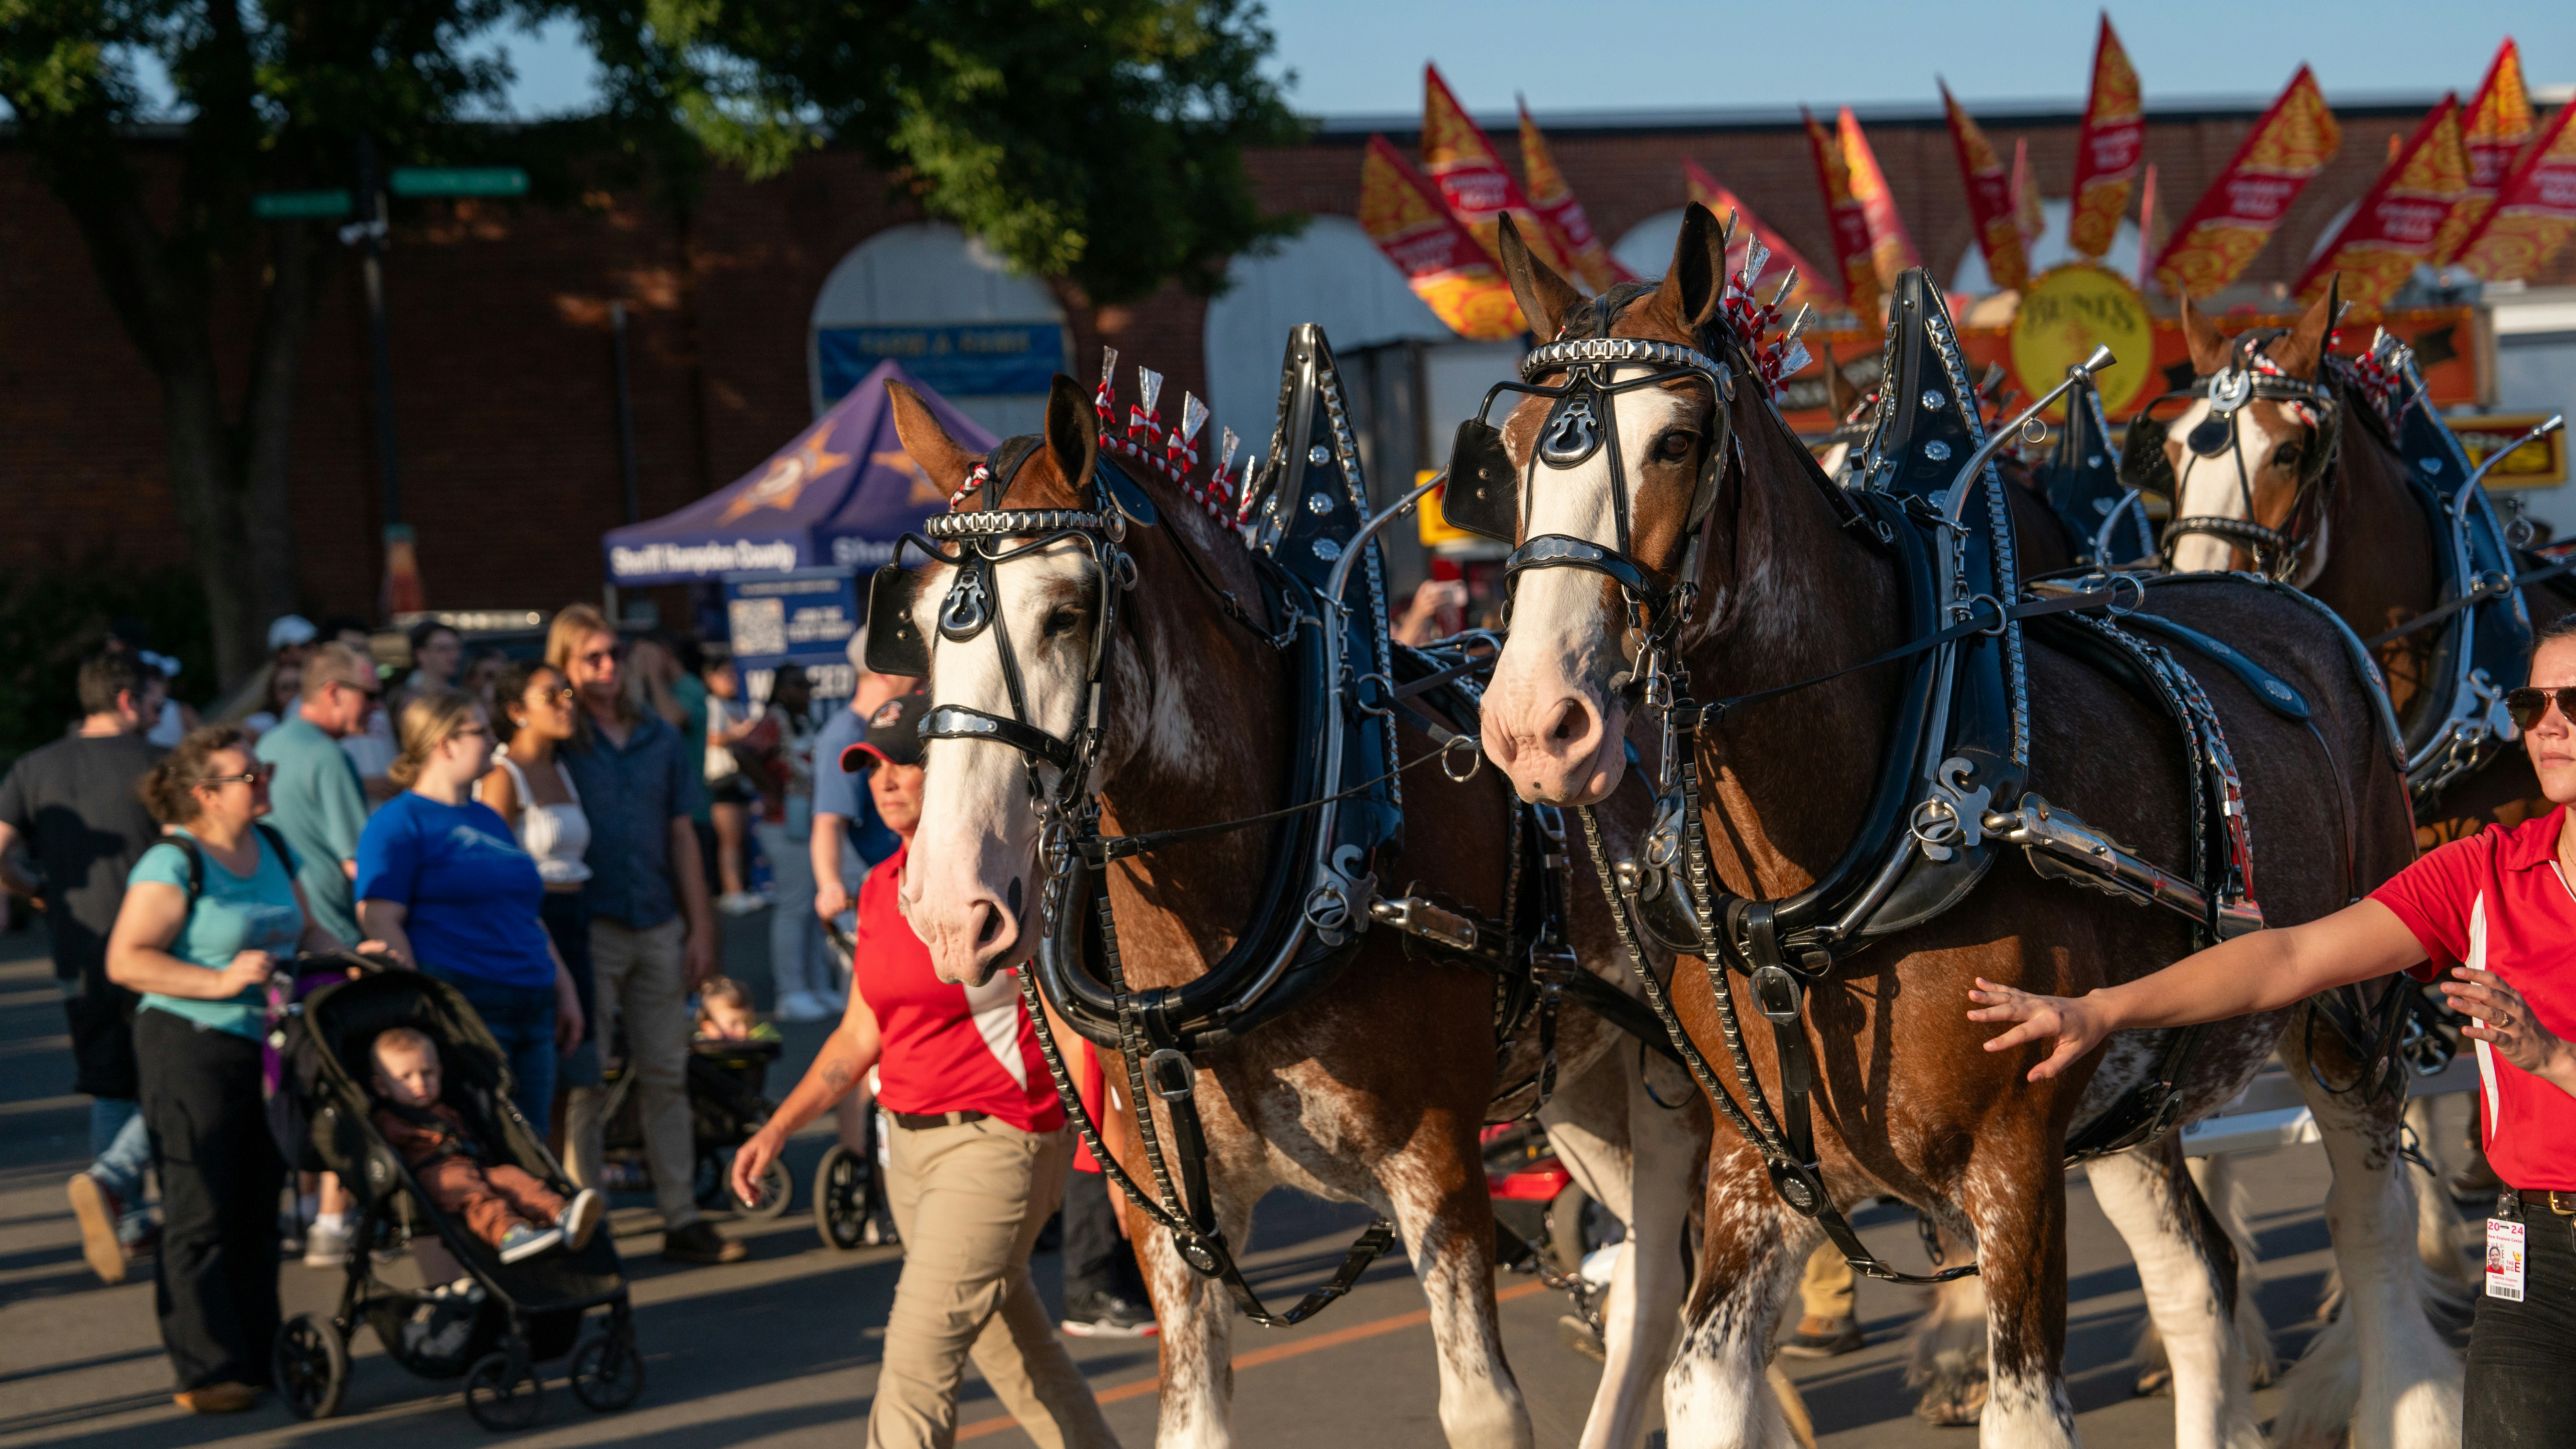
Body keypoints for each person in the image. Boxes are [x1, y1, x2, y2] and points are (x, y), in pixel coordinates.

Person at [1967, 612, 2576, 1446]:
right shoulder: (2482, 871)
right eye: (2530, 700)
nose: (2547, 723)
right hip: (2533, 1256)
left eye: (2572, 700)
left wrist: (2551, 1057)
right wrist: (2104, 1007)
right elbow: (2285, 958)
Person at [735, 692, 1117, 1448]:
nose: (886, 780)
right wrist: (778, 1126)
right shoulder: (882, 885)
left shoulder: (1007, 869)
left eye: (905, 761)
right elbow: (860, 1031)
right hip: (906, 1152)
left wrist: (1098, 1153)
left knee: (914, 1367)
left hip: (998, 1145)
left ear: (946, 767)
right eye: (872, 766)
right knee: (1018, 1350)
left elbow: (1075, 1021)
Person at [106, 726, 378, 1413]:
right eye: (248, 776)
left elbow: (306, 930)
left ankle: (259, 1356)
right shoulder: (174, 862)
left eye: (262, 770)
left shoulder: (274, 844)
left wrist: (350, 955)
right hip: (188, 1041)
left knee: (260, 1203)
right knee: (203, 1204)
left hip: (268, 1041)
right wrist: (218, 979)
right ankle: (206, 1368)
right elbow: (128, 959)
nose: (264, 782)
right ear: (205, 794)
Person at [549, 604, 741, 1266]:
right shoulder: (561, 742)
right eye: (592, 658)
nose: (607, 668)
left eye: (614, 655)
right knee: (586, 1080)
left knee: (666, 1072)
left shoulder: (657, 735)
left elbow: (683, 831)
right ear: (567, 668)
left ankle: (681, 1214)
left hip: (657, 916)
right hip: (590, 924)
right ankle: (585, 1218)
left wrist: (701, 923)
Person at [0, 653, 166, 1283]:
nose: (158, 712)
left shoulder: (35, 767)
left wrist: (32, 888)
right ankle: (114, 1181)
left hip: (78, 946)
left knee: (108, 1079)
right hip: (156, 946)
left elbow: (0, 851)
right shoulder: (155, 764)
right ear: (127, 701)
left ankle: (123, 1216)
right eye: (154, 700)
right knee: (175, 1075)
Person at [358, 690, 585, 1135]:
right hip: (469, 1004)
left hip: (533, 999)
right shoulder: (398, 822)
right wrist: (418, 1005)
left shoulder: (487, 817)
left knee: (532, 1140)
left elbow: (525, 911)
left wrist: (565, 986)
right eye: (481, 731)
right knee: (487, 1140)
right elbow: (380, 917)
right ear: (445, 744)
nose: (493, 743)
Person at [255, 642, 381, 1266]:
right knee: (345, 1075)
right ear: (333, 693)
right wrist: (374, 940)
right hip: (330, 940)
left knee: (299, 1076)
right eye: (368, 694)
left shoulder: (272, 746)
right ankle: (333, 1218)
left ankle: (304, 1209)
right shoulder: (329, 756)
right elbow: (359, 862)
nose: (375, 708)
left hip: (282, 945)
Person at [478, 660, 601, 1126]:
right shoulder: (502, 776)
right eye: (551, 697)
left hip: (577, 916)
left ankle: (566, 1187)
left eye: (568, 694)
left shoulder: (565, 769)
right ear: (517, 710)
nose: (566, 705)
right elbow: (493, 868)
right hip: (534, 920)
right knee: (541, 1075)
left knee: (576, 1070)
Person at [367, 1026, 603, 1263]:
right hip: (436, 1174)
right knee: (475, 1195)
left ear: (440, 1073)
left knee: (514, 1178)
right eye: (405, 1078)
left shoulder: (448, 1109)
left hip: (473, 1165)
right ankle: (509, 1235)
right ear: (382, 1087)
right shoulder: (388, 1119)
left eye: (427, 1073)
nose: (419, 1084)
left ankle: (561, 1214)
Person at [742, 664, 836, 1020]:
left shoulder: (802, 722)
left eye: (809, 685)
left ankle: (815, 986)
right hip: (783, 824)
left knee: (814, 909)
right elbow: (744, 752)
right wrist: (770, 790)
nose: (807, 692)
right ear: (781, 689)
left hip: (806, 822)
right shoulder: (773, 720)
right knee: (795, 907)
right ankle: (791, 991)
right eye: (799, 685)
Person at [703, 650, 762, 914]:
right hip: (721, 780)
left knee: (742, 839)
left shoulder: (736, 705)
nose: (732, 679)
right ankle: (732, 892)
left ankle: (743, 889)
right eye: (725, 674)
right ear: (710, 678)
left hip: (740, 780)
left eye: (733, 673)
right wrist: (742, 732)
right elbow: (713, 738)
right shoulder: (712, 705)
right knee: (730, 841)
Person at [319, 616, 398, 802]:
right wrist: (362, 783)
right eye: (355, 650)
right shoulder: (309, 707)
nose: (363, 657)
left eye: (366, 650)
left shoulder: (375, 702)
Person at [242, 662, 302, 740]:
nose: (293, 692)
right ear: (274, 692)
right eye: (285, 687)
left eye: (299, 686)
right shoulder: (267, 721)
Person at [404, 621, 463, 696]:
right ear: (421, 655)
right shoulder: (409, 698)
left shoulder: (456, 695)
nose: (454, 656)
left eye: (457, 648)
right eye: (442, 649)